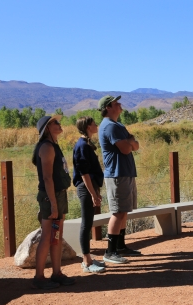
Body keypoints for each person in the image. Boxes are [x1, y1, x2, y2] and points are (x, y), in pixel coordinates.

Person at [31, 115, 75, 288]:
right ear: (47, 128)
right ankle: (39, 277)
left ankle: (57, 273)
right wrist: (54, 205)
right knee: (47, 235)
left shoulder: (53, 146)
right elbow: (47, 178)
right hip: (51, 196)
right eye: (55, 123)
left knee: (56, 235)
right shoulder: (47, 147)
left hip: (58, 194)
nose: (59, 124)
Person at [98, 95, 141, 264]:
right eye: (116, 103)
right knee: (118, 212)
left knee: (123, 211)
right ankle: (110, 251)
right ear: (108, 107)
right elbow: (126, 149)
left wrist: (130, 143)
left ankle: (121, 246)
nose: (120, 105)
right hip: (117, 174)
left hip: (125, 173)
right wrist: (129, 142)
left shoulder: (118, 125)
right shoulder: (110, 127)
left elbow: (135, 146)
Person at [72, 116, 106, 273]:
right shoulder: (82, 146)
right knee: (86, 224)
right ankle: (86, 262)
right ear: (87, 127)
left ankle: (89, 259)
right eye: (93, 124)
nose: (96, 125)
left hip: (90, 187)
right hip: (86, 188)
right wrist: (93, 193)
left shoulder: (86, 144)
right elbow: (84, 173)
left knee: (88, 223)